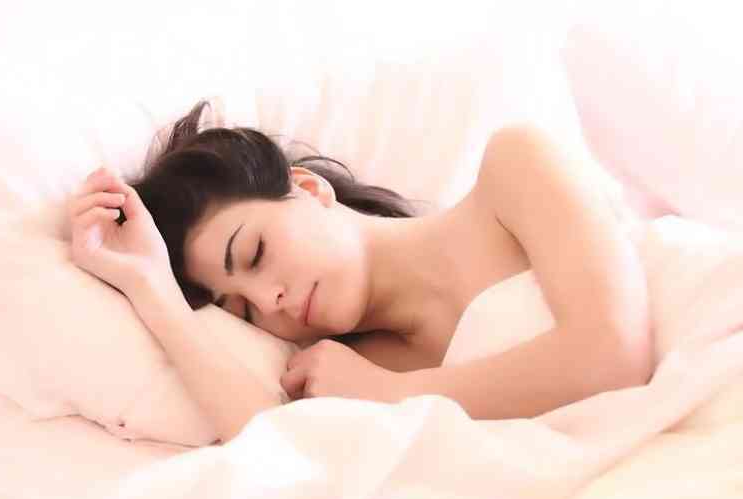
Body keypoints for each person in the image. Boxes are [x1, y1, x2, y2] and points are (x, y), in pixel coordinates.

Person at [67, 98, 655, 443]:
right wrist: (152, 290)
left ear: (307, 189)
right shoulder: (347, 370)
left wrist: (389, 394)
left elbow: (615, 354)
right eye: (243, 310)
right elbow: (283, 461)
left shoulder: (515, 166)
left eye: (255, 254)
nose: (269, 302)